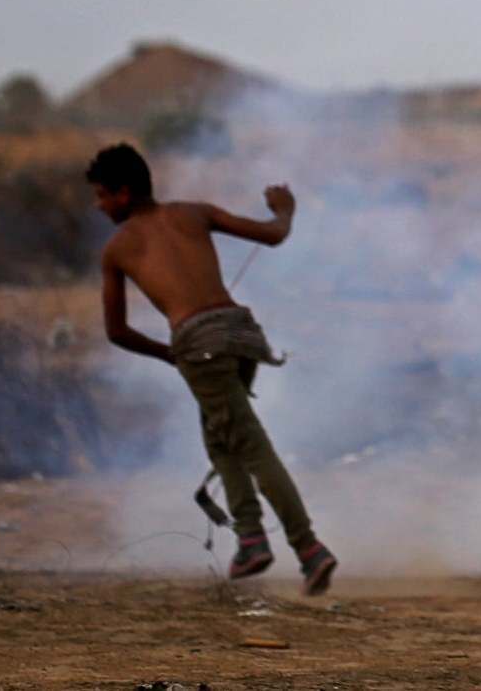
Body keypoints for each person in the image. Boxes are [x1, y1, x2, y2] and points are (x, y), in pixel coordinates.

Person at [87, 141, 336, 592]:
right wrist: (285, 209)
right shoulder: (193, 212)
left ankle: (308, 548)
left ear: (122, 193)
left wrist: (172, 353)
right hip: (242, 333)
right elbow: (274, 234)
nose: (98, 205)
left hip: (199, 347)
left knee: (251, 446)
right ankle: (252, 540)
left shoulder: (118, 247)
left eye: (101, 196)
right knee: (222, 439)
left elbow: (117, 331)